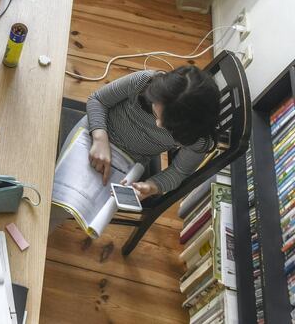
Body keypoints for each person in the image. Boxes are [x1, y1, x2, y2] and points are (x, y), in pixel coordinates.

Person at [51, 66, 220, 230]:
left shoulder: (197, 139)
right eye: (156, 114)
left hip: (130, 162)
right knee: (57, 191)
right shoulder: (144, 81)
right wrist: (99, 138)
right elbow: (98, 100)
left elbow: (179, 172)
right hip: (97, 130)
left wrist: (151, 186)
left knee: (70, 203)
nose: (158, 124)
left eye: (168, 126)